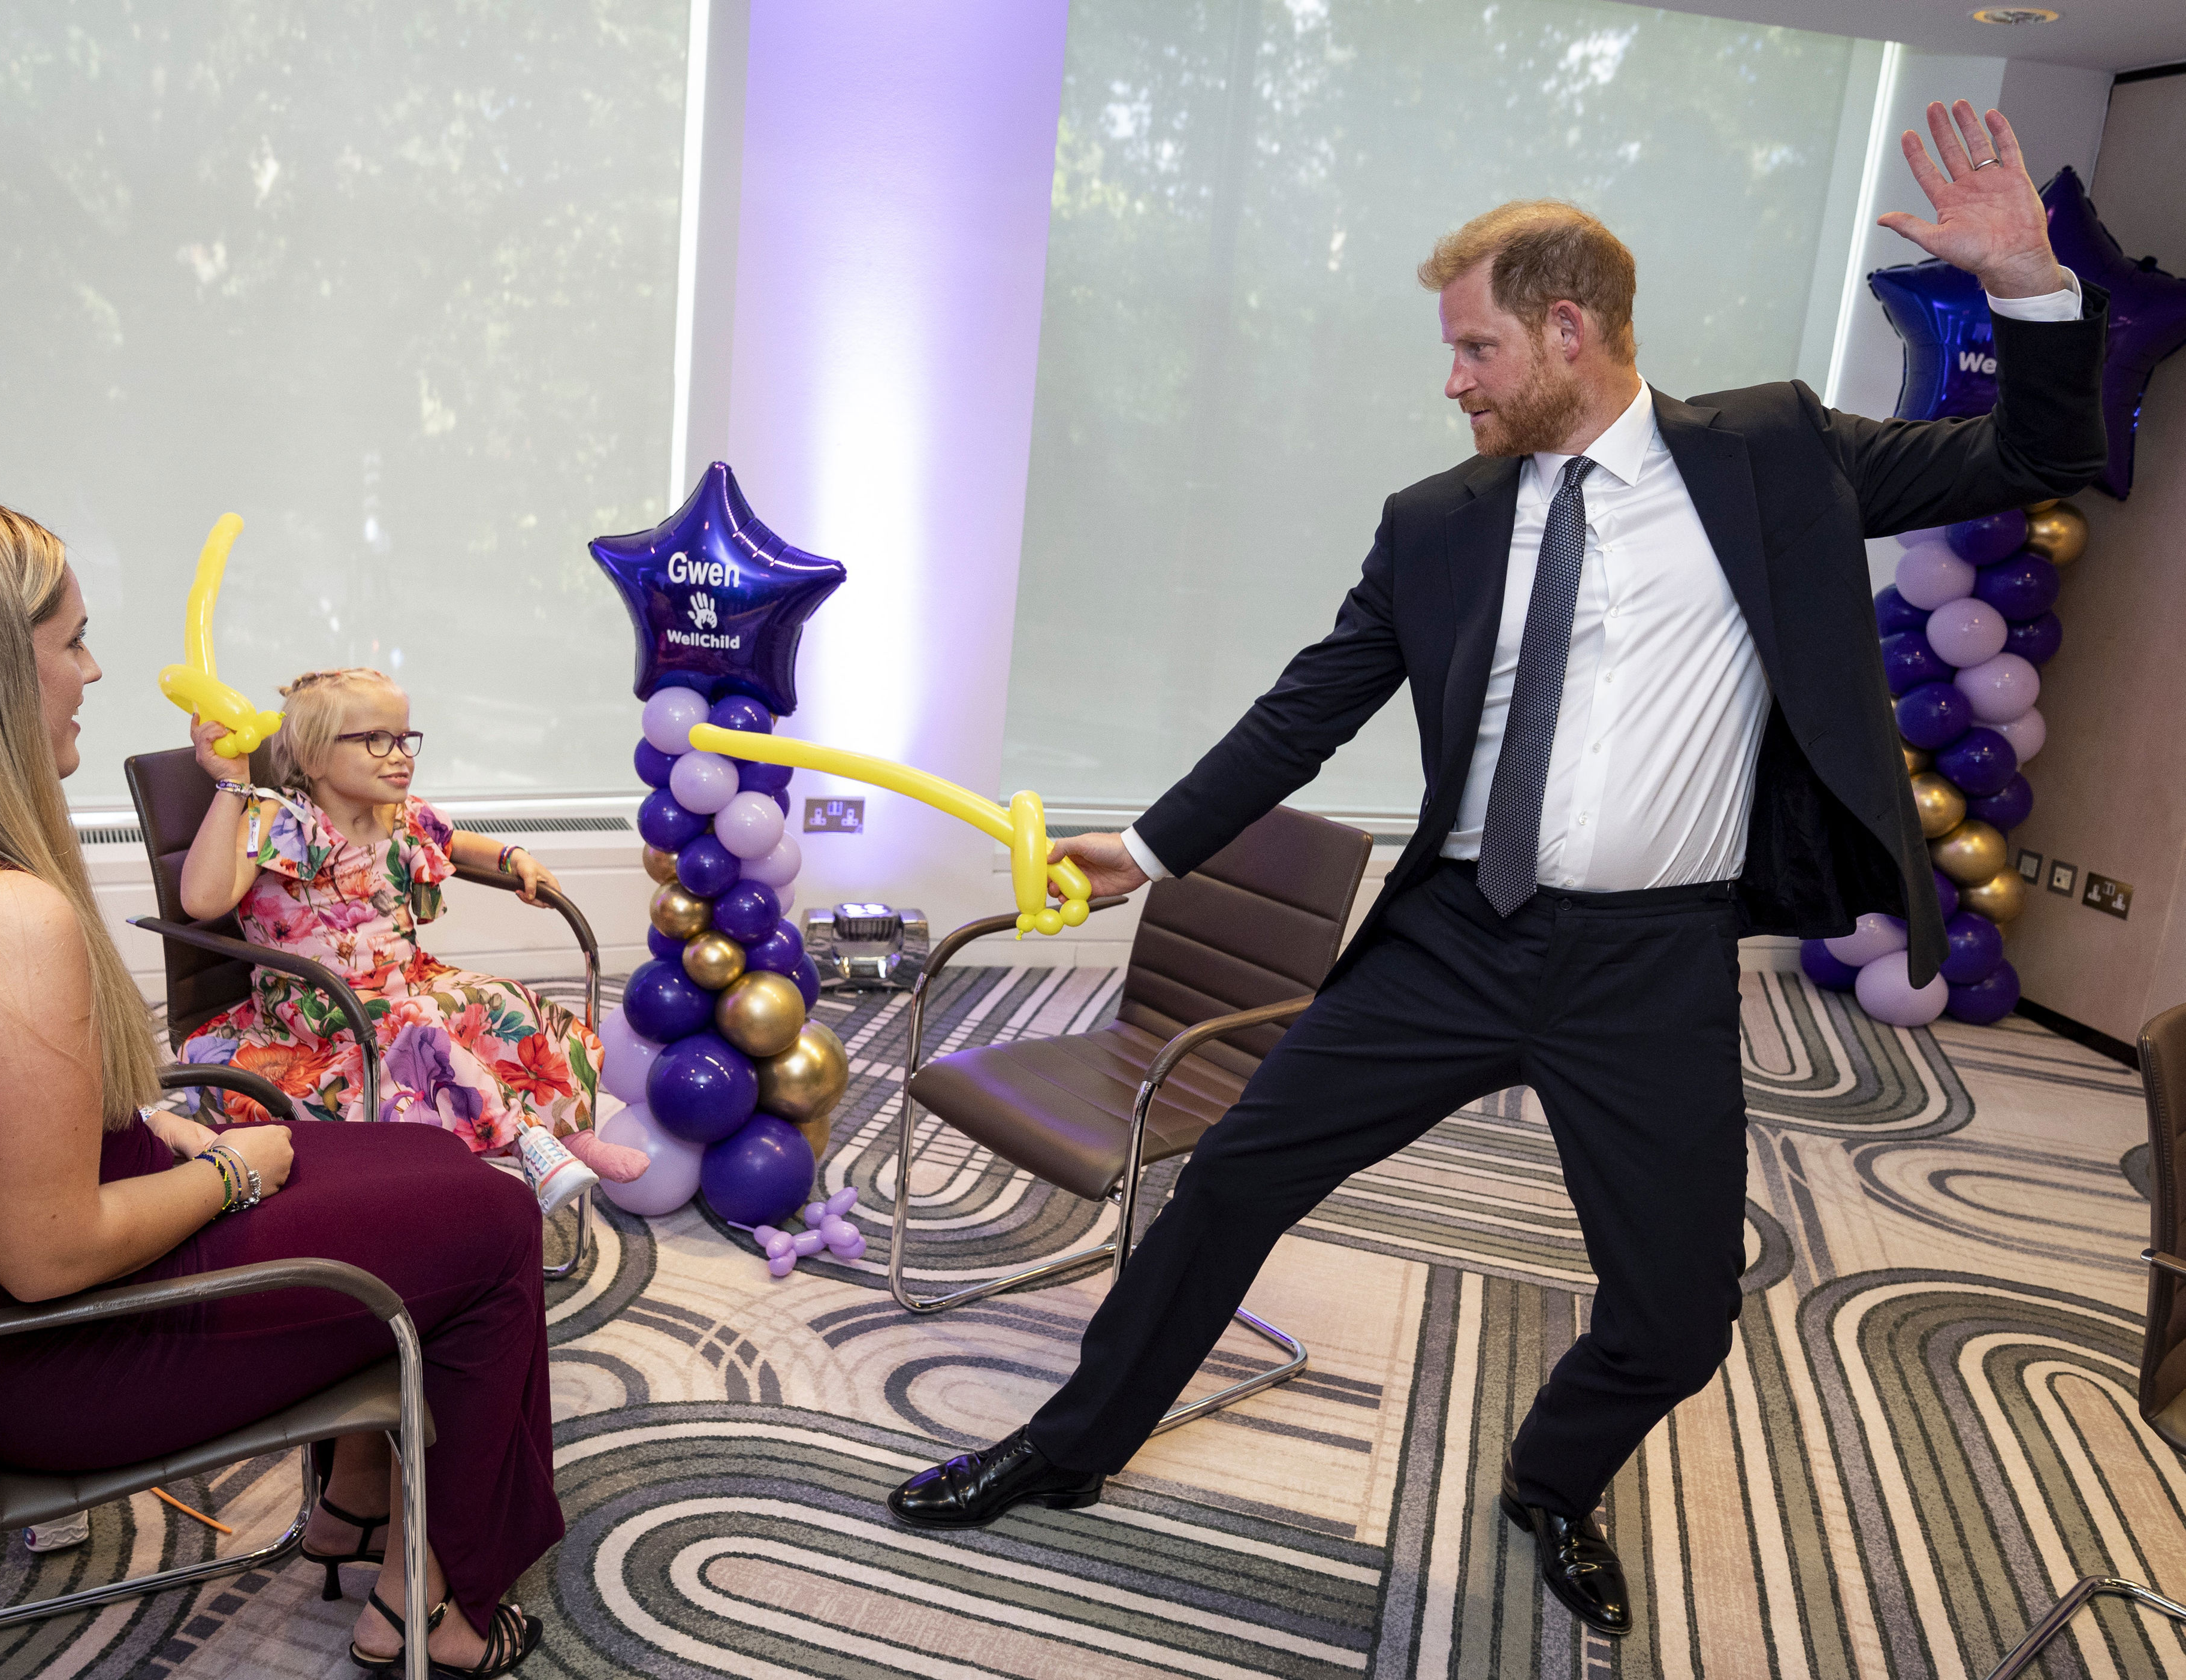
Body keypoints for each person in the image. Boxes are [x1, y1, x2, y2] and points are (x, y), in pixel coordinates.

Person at [883, 101, 2108, 1638]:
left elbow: (2038, 453)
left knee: (1677, 1317)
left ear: (1567, 329)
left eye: (1474, 348)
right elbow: (1307, 707)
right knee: (1232, 1179)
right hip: (1455, 938)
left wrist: (2028, 288)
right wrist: (1141, 850)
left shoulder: (1770, 455)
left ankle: (1549, 1478)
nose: (1450, 379)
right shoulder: (1437, 524)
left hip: (1649, 963)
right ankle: (1066, 1448)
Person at [0, 488, 557, 1675]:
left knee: (428, 1156)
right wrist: (234, 1166)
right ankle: (435, 1609)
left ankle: (354, 1507)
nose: (92, 670)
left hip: (1, 1328)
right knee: (492, 1218)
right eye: (73, 639)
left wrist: (160, 1136)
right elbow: (47, 1253)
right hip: (64, 1356)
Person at [174, 666, 645, 1200]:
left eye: (404, 738)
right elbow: (202, 900)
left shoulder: (399, 815)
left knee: (506, 1001)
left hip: (407, 978)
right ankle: (526, 1142)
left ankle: (571, 1134)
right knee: (420, 1026)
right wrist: (231, 786)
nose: (400, 755)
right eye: (376, 740)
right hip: (315, 1008)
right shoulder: (282, 819)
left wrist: (513, 857)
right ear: (313, 756)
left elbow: (458, 842)